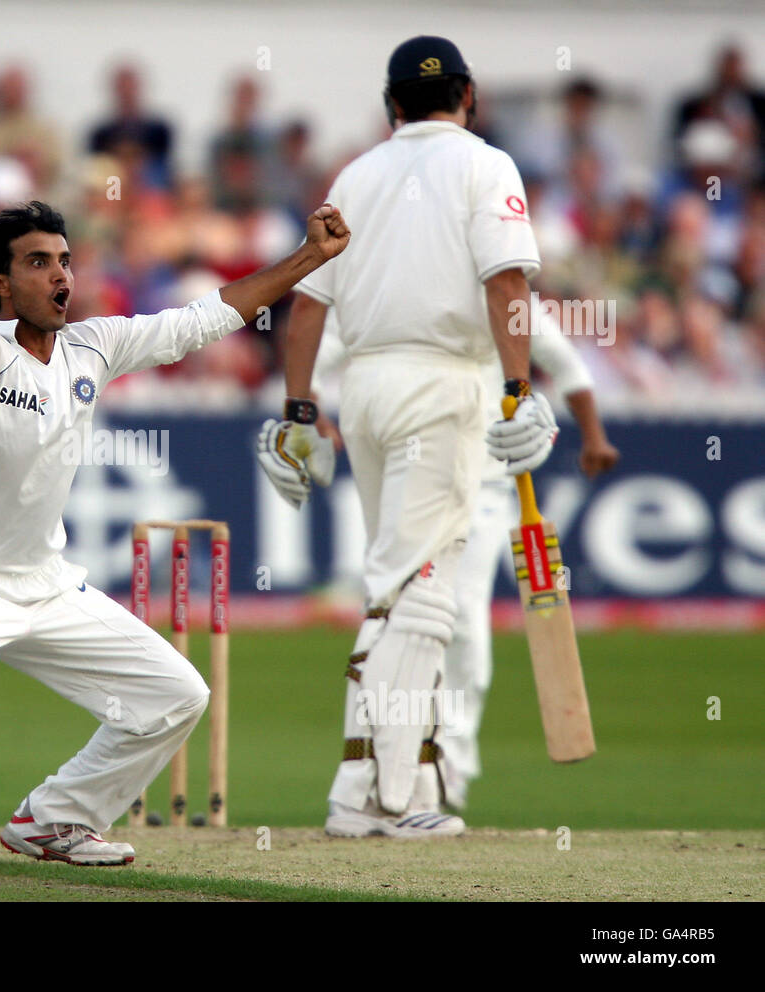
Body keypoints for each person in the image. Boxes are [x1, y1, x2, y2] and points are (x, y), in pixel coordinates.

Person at [0, 174, 349, 871]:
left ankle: (57, 818)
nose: (61, 275)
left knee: (177, 695)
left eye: (66, 260)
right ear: (2, 285)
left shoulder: (93, 348)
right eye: (39, 263)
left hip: (43, 586)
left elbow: (202, 320)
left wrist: (307, 257)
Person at [256, 36, 559, 838]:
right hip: (444, 384)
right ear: (469, 94)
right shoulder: (485, 164)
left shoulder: (355, 176)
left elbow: (309, 303)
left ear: (392, 104)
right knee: (422, 592)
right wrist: (519, 389)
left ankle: (378, 786)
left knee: (395, 583)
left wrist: (297, 412)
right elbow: (506, 281)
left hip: (367, 390)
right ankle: (388, 799)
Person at [307, 307, 620, 811]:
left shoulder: (505, 292)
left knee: (462, 618)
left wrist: (594, 435)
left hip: (486, 487)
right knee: (397, 613)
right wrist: (309, 403)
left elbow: (567, 367)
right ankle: (384, 758)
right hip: (409, 479)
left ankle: (452, 756)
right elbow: (323, 350)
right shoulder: (400, 279)